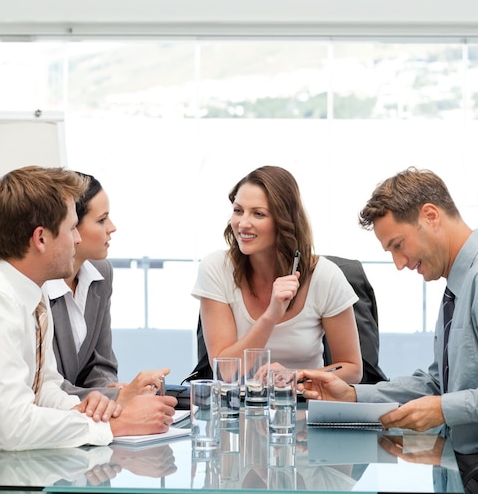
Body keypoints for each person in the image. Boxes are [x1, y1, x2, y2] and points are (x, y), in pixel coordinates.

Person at [0, 166, 176, 476]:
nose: (78, 238)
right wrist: (117, 424)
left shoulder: (33, 292)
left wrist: (90, 409)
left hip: (7, 465)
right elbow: (15, 427)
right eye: (72, 228)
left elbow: (45, 389)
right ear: (41, 238)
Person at [299, 166, 478, 456]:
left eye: (398, 245)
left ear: (430, 216)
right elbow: (436, 385)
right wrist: (354, 395)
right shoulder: (456, 288)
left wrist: (444, 409)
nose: (399, 263)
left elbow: (442, 400)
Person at [191, 165, 362, 383]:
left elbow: (352, 369)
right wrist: (271, 315)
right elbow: (227, 373)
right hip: (238, 407)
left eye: (258, 214)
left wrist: (297, 375)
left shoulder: (325, 276)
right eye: (238, 210)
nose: (243, 223)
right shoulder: (216, 268)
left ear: (284, 221)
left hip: (303, 404)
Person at [43, 173, 169, 404]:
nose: (112, 228)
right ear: (71, 227)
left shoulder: (101, 272)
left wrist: (109, 388)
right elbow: (45, 388)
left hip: (84, 415)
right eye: (101, 220)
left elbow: (101, 363)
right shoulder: (39, 284)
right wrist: (117, 396)